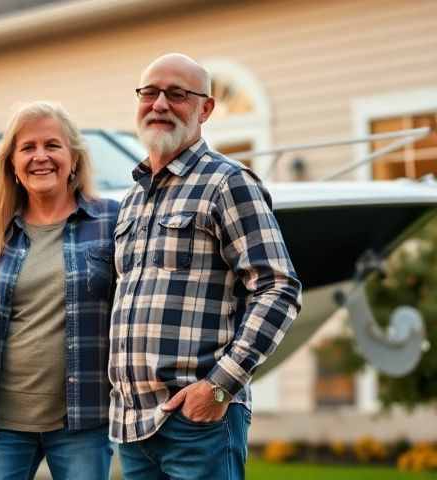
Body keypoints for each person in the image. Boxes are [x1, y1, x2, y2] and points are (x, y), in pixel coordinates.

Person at [110, 53, 302, 480]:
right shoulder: (132, 200)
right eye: (150, 92)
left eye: (177, 93)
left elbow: (278, 289)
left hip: (198, 425)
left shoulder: (228, 183)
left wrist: (219, 387)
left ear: (206, 108)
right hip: (134, 426)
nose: (159, 103)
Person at [0, 101, 118, 479]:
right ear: (12, 164)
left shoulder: (112, 223)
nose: (41, 156)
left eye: (52, 145)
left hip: (84, 422)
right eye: (28, 148)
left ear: (73, 158)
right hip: (1, 426)